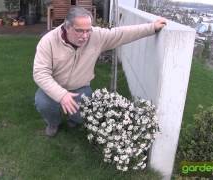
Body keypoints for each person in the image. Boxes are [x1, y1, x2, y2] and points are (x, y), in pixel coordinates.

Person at [33, 6, 166, 137]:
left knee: (82, 115)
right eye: (79, 31)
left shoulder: (95, 36)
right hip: (55, 85)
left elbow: (121, 33)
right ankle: (53, 123)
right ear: (67, 27)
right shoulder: (48, 41)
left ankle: (74, 120)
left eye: (88, 30)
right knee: (43, 103)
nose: (85, 36)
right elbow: (40, 73)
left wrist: (151, 27)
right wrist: (61, 95)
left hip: (80, 87)